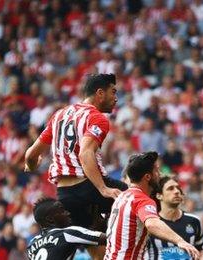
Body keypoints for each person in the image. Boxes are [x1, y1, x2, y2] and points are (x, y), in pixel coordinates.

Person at [24, 74, 127, 258]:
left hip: (65, 195)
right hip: (88, 186)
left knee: (96, 249)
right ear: (100, 93)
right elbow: (85, 153)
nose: (116, 98)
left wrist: (32, 166)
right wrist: (102, 188)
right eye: (113, 92)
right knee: (141, 199)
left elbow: (30, 155)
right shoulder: (98, 118)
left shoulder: (59, 116)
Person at [104, 151, 200, 260]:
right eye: (157, 170)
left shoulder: (122, 196)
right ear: (148, 177)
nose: (160, 174)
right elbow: (152, 224)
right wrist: (180, 241)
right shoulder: (142, 199)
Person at [26, 197, 106, 260]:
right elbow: (110, 238)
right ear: (50, 219)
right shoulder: (67, 233)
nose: (68, 213)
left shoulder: (32, 243)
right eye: (62, 211)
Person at [147, 177, 203, 259]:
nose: (177, 191)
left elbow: (201, 250)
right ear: (159, 196)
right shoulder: (152, 223)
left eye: (178, 188)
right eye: (170, 189)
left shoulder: (194, 221)